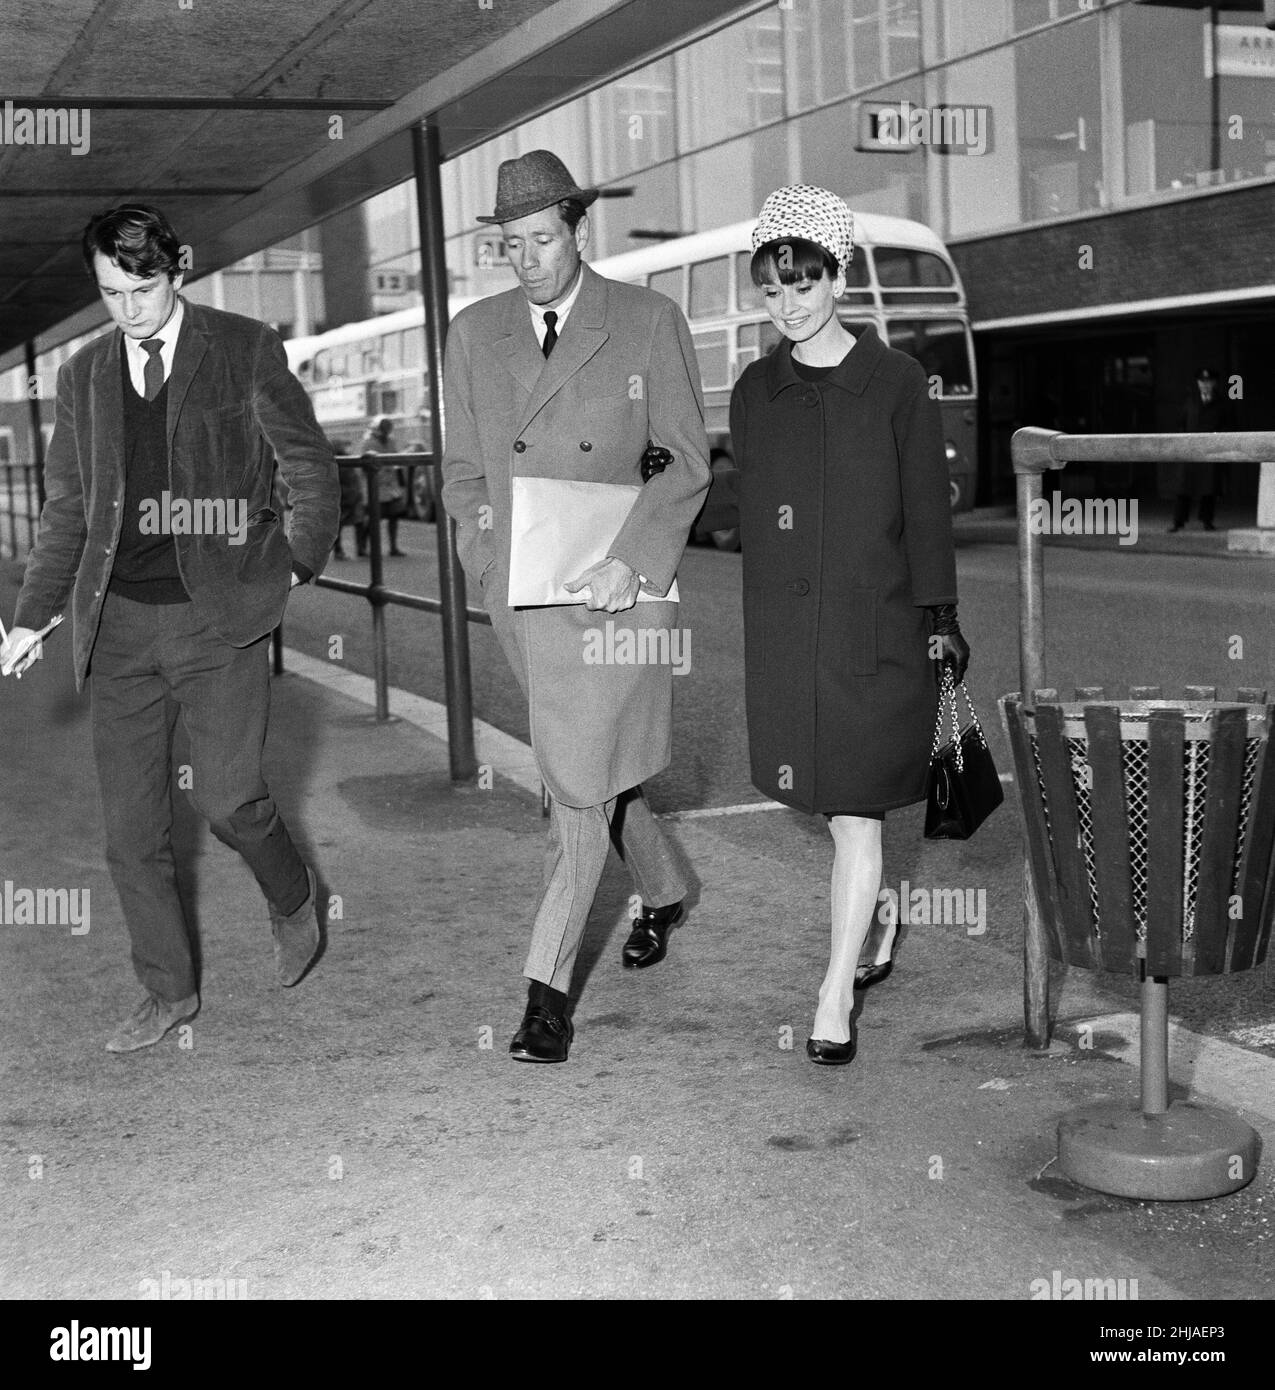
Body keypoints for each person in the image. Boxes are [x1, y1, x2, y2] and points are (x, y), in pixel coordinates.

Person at [0, 204, 339, 1052]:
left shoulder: (244, 346)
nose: (127, 308)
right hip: (118, 627)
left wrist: (295, 563)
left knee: (229, 800)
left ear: (177, 271)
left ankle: (292, 894)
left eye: (142, 288)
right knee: (131, 832)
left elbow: (308, 464)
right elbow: (69, 510)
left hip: (214, 617)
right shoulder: (81, 377)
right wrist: (33, 615)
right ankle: (168, 992)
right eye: (110, 291)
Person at [441, 150, 711, 1063]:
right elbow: (464, 472)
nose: (528, 260)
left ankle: (545, 995)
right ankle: (667, 887)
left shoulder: (644, 321)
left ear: (577, 228)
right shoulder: (474, 333)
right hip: (523, 594)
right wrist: (487, 565)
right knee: (587, 766)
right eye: (511, 245)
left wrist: (630, 562)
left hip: (612, 597)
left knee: (572, 788)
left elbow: (684, 457)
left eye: (544, 240)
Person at [702, 185, 969, 1066]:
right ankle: (881, 916)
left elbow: (926, 512)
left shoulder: (893, 383)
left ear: (838, 274)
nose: (787, 304)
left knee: (856, 818)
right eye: (771, 289)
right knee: (823, 808)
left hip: (874, 634)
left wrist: (941, 617)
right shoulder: (753, 390)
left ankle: (831, 995)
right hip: (786, 642)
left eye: (803, 283)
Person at [1165, 367, 1226, 532]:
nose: (1205, 385)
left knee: (1209, 488)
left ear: (1214, 383)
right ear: (1198, 383)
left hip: (1211, 451)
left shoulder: (1222, 403)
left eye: (1208, 382)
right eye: (1202, 382)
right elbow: (1181, 424)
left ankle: (1207, 520)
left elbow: (1228, 426)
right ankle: (1178, 522)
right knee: (1183, 488)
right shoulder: (1190, 401)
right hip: (1190, 450)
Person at [356, 416, 408, 556]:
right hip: (375, 485)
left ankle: (393, 547)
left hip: (391, 485)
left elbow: (396, 459)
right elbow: (363, 466)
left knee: (394, 516)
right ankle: (362, 545)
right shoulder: (368, 443)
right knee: (373, 518)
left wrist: (400, 480)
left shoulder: (391, 441)